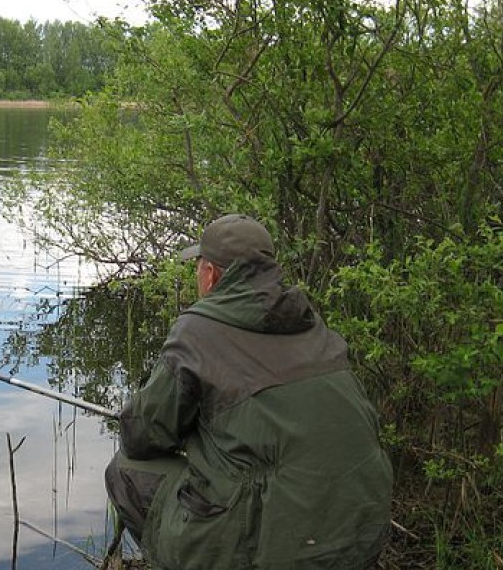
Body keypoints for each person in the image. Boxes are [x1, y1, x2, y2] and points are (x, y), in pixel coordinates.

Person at [105, 214, 393, 569]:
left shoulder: (197, 331)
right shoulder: (311, 325)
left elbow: (140, 435)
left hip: (279, 550)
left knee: (124, 468)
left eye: (198, 267)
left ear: (210, 274)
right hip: (362, 535)